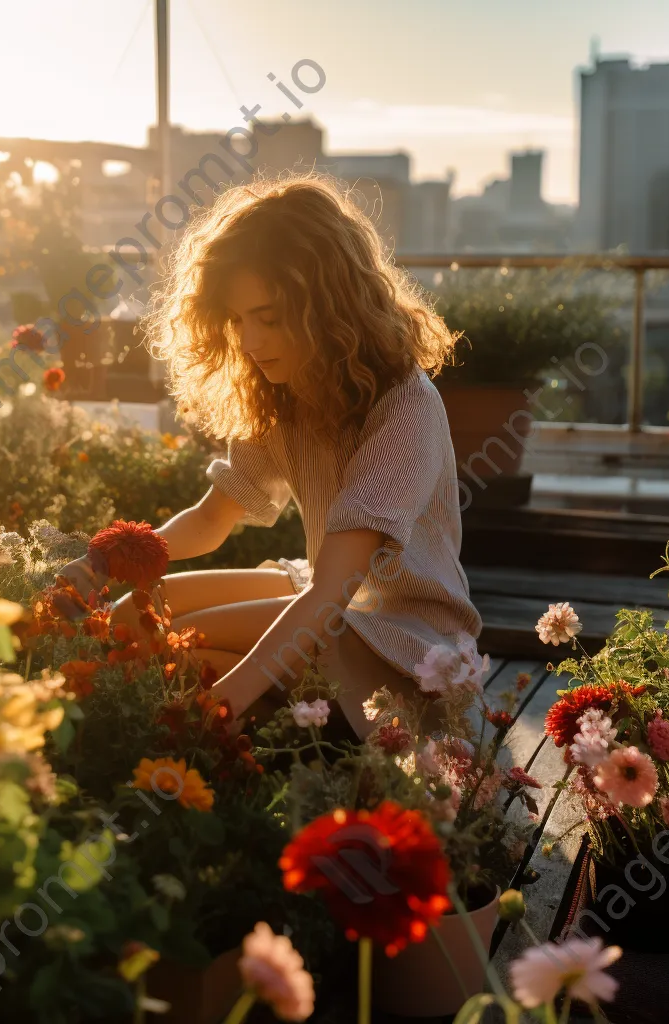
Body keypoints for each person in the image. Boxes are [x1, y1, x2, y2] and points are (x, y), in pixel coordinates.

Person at [59, 174, 482, 739]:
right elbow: (211, 521)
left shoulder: (404, 409)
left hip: (407, 641)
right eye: (237, 320)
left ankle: (229, 736)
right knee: (133, 619)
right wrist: (99, 567)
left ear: (331, 308)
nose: (251, 342)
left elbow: (331, 593)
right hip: (327, 604)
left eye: (270, 317)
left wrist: (220, 705)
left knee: (182, 654)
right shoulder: (285, 395)